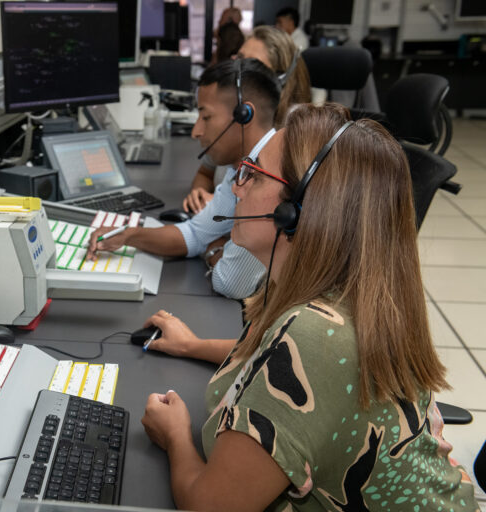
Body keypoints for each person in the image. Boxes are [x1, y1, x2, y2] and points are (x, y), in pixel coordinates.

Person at [140, 104, 479, 511]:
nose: (234, 188)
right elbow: (278, 360)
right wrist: (193, 345)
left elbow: (210, 507)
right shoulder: (338, 294)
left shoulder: (314, 336)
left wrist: (176, 436)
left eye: (252, 173)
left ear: (298, 208)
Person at [87, 59, 280, 300]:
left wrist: (213, 249)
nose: (196, 131)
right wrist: (129, 235)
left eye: (206, 118)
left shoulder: (270, 182)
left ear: (244, 115)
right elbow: (196, 234)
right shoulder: (241, 170)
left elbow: (229, 281)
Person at [184, 26, 311, 215]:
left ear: (278, 81)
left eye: (252, 65)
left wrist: (227, 209)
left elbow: (285, 217)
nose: (239, 71)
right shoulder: (232, 121)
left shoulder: (294, 141)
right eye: (239, 58)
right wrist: (199, 194)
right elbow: (205, 173)